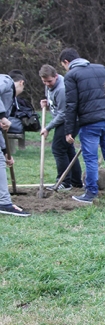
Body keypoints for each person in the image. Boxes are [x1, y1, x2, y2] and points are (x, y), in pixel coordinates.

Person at [60, 47, 105, 203]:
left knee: (90, 158)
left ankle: (91, 193)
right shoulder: (101, 69)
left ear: (66, 62)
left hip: (90, 123)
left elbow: (71, 105)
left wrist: (69, 130)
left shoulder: (71, 75)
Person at [39, 64, 83, 191]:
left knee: (58, 148)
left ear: (56, 76)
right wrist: (47, 102)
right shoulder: (50, 86)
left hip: (69, 121)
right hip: (64, 120)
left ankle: (64, 182)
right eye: (44, 81)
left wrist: (47, 128)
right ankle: (76, 182)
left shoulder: (62, 89)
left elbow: (63, 113)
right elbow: (54, 101)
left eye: (49, 81)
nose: (47, 84)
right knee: (68, 150)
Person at [0, 71, 30, 217]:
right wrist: (2, 116)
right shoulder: (6, 81)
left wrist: (5, 151)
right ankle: (4, 203)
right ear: (21, 83)